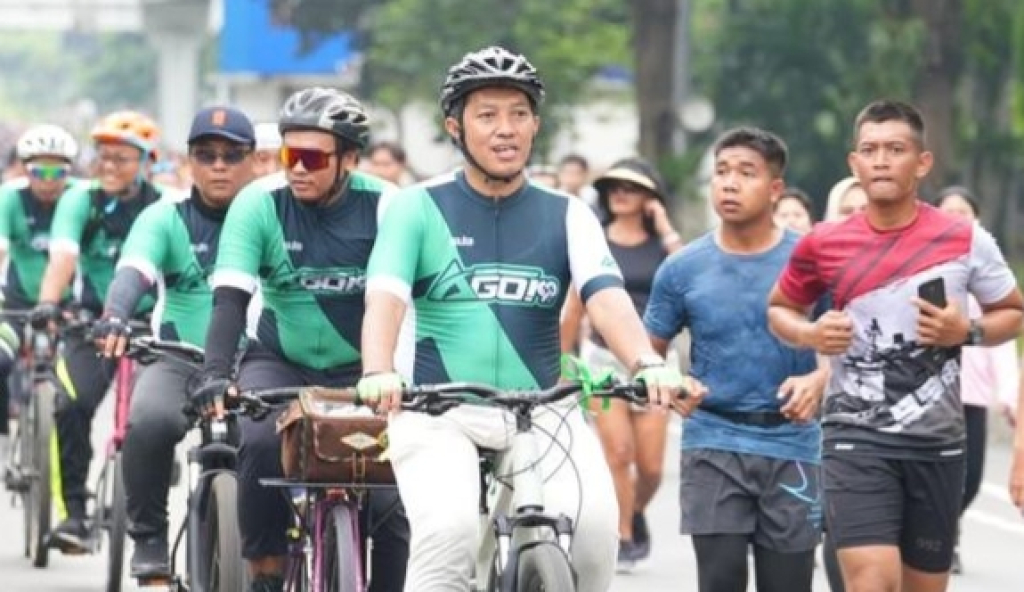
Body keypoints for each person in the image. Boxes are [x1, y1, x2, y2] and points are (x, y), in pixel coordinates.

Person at [356, 45, 700, 592]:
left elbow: (606, 297)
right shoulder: (415, 207)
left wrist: (646, 362)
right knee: (448, 537)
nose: (505, 129)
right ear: (455, 126)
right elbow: (386, 299)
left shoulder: (568, 213)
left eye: (518, 113)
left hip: (541, 408)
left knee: (592, 530)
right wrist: (377, 368)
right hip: (438, 408)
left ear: (536, 124)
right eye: (486, 114)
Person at [767, 99, 1023, 592]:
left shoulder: (965, 239)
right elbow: (780, 307)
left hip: (937, 444)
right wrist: (811, 334)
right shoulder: (824, 242)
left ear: (922, 163)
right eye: (870, 149)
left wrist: (963, 332)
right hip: (855, 437)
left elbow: (1012, 313)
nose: (881, 160)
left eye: (895, 149)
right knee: (872, 582)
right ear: (854, 163)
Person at [190, 88, 409, 592]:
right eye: (290, 154)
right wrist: (216, 374)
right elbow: (230, 300)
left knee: (391, 493)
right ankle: (266, 574)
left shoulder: (387, 206)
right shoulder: (258, 203)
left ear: (349, 159)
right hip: (279, 361)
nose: (297, 169)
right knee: (261, 444)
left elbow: (412, 303)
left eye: (312, 157)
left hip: (367, 367)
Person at [644, 127, 825, 592]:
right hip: (713, 441)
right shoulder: (683, 268)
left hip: (792, 445)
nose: (729, 183)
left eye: (746, 173)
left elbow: (847, 344)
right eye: (721, 172)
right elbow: (649, 354)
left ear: (775, 188)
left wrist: (820, 378)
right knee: (719, 580)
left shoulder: (809, 263)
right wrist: (669, 383)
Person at [90, 106, 258, 578]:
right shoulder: (163, 217)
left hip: (254, 361)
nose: (219, 165)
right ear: (189, 162)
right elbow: (134, 270)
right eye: (206, 155)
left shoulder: (274, 213)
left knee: (266, 444)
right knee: (148, 421)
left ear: (252, 160)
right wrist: (116, 315)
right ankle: (148, 538)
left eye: (231, 154)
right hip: (177, 357)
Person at [30, 110, 167, 549]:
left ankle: (152, 509)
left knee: (159, 419)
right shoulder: (79, 200)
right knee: (70, 405)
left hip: (152, 328)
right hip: (91, 324)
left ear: (148, 161)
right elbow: (63, 259)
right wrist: (49, 302)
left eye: (122, 158)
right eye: (102, 156)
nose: (108, 166)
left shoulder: (163, 204)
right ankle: (73, 514)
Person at [559, 156, 683, 571]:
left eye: (631, 187)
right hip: (602, 359)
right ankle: (624, 537)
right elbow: (575, 305)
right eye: (613, 188)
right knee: (619, 453)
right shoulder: (596, 240)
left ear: (651, 195)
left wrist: (664, 227)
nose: (621, 194)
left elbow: (689, 277)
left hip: (655, 359)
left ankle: (632, 510)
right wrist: (565, 361)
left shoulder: (662, 246)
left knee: (649, 467)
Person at [934, 185, 1019, 575]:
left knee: (970, 479)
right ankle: (939, 535)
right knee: (935, 474)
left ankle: (949, 525)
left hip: (973, 397)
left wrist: (1009, 397)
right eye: (946, 211)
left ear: (977, 220)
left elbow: (1002, 339)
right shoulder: (925, 267)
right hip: (931, 395)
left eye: (962, 212)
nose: (955, 218)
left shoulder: (985, 271)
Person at [0, 124, 80, 470]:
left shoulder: (80, 198)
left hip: (68, 309)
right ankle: (3, 441)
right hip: (16, 305)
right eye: (39, 171)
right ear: (25, 169)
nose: (48, 180)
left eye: (57, 171)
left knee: (78, 388)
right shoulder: (9, 197)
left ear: (69, 171)